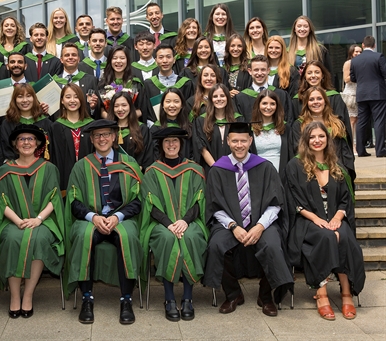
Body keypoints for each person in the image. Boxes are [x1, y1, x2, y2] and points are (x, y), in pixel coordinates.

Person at [203, 122, 294, 317]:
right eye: (234, 140)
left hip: (261, 221)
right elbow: (214, 206)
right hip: (229, 223)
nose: (239, 145)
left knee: (272, 244)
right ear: (228, 141)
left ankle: (266, 296)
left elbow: (276, 203)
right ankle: (233, 294)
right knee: (217, 245)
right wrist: (233, 226)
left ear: (250, 141)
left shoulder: (265, 167)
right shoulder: (218, 169)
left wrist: (260, 226)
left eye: (243, 141)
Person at [65, 119, 143, 325]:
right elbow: (73, 200)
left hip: (121, 217)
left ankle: (126, 299)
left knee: (128, 237)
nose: (102, 139)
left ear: (114, 137)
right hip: (92, 218)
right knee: (83, 236)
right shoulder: (81, 166)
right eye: (97, 136)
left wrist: (118, 217)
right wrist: (94, 217)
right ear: (91, 139)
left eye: (106, 134)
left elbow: (138, 200)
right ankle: (87, 298)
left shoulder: (129, 164)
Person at [285, 122, 365, 320]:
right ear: (305, 141)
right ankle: (321, 295)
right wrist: (316, 218)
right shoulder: (295, 165)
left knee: (344, 237)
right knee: (327, 237)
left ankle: (346, 293)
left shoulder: (337, 167)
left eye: (321, 136)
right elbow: (293, 199)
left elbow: (345, 199)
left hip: (335, 219)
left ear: (327, 140)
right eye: (312, 137)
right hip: (307, 221)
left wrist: (338, 217)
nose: (317, 140)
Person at [0, 125, 65, 318]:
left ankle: (28, 294)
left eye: (31, 139)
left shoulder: (48, 168)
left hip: (43, 221)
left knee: (39, 239)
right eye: (22, 139)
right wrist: (18, 221)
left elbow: (55, 198)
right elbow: (1, 202)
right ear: (15, 144)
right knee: (11, 239)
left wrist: (39, 219)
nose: (26, 142)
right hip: (12, 221)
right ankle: (15, 296)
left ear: (38, 144)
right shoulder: (4, 169)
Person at [140, 127, 208, 322]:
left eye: (175, 141)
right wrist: (169, 224)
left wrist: (185, 221)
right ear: (161, 145)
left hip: (189, 221)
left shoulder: (194, 169)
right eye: (167, 141)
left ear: (181, 144)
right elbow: (149, 203)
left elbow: (199, 200)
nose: (171, 144)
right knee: (167, 239)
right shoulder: (152, 171)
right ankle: (169, 299)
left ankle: (188, 298)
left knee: (192, 237)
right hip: (161, 223)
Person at [292, 86, 355, 180]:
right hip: (309, 172)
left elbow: (345, 151)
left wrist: (343, 169)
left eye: (319, 98)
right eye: (311, 99)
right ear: (306, 103)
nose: (316, 102)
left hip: (337, 170)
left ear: (325, 101)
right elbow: (298, 150)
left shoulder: (337, 123)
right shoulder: (299, 125)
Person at [50, 84, 94, 194]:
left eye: (76, 96)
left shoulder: (91, 126)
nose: (72, 100)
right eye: (68, 97)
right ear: (62, 101)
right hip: (64, 179)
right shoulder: (55, 127)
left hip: (89, 177)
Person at [292, 60, 350, 139]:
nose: (313, 75)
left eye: (317, 72)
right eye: (309, 73)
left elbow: (341, 122)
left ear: (322, 75)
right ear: (304, 76)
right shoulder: (297, 99)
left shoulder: (334, 97)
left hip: (333, 139)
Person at [350, 35, 386, 158]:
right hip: (377, 93)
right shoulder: (378, 56)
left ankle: (360, 151)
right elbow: (385, 73)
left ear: (363, 45)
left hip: (362, 94)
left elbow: (353, 78)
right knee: (379, 121)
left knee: (362, 122)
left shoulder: (355, 60)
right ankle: (380, 150)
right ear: (374, 45)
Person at [195, 84, 243, 172]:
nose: (219, 99)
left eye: (222, 96)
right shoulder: (201, 121)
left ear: (228, 98)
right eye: (215, 96)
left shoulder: (238, 120)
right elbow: (202, 148)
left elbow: (242, 145)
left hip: (235, 169)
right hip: (211, 169)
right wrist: (216, 167)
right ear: (211, 99)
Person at [0, 83, 53, 162]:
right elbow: (6, 150)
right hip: (15, 170)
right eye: (20, 96)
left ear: (34, 98)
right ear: (15, 100)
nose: (25, 100)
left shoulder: (46, 123)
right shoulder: (7, 124)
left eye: (28, 96)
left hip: (41, 169)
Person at [143, 44, 194, 123]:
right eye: (161, 57)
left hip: (181, 128)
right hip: (156, 130)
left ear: (174, 60)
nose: (165, 61)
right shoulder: (148, 84)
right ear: (156, 61)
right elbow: (147, 111)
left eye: (168, 57)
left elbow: (190, 109)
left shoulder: (186, 83)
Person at [234, 55, 293, 123]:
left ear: (268, 71)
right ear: (250, 71)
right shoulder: (241, 97)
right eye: (256, 70)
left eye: (263, 70)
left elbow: (288, 119)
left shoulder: (281, 94)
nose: (259, 73)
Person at [107, 91, 154, 170]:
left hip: (137, 175)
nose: (120, 109)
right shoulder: (108, 129)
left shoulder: (142, 129)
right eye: (116, 106)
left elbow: (148, 156)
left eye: (124, 105)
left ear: (130, 107)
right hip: (113, 174)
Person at [250, 90, 293, 175]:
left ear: (277, 106)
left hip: (281, 176)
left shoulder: (285, 128)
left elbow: (290, 154)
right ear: (258, 105)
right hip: (258, 175)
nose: (268, 107)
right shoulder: (250, 129)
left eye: (272, 104)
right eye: (264, 103)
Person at [98, 46, 146, 120]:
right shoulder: (103, 84)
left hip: (131, 125)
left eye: (122, 58)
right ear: (110, 61)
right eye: (114, 58)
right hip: (110, 125)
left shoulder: (136, 83)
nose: (118, 61)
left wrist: (125, 118)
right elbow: (101, 110)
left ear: (127, 60)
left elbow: (142, 109)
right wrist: (112, 118)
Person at [151, 88, 194, 160]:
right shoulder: (155, 129)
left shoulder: (189, 128)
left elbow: (193, 154)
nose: (172, 105)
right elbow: (154, 155)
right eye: (168, 102)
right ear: (162, 105)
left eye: (176, 101)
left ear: (182, 105)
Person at [342, 44, 362, 151]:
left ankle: (358, 145)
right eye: (356, 52)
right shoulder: (348, 63)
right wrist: (359, 74)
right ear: (351, 53)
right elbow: (346, 79)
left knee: (358, 120)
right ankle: (351, 146)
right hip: (351, 94)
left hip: (360, 93)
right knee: (352, 121)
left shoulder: (361, 63)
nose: (358, 54)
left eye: (360, 52)